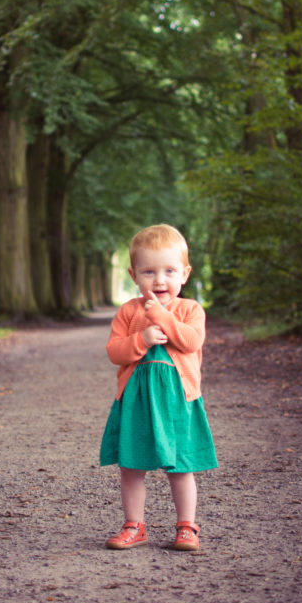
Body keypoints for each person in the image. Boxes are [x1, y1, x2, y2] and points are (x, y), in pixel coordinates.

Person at [99, 223, 218, 551]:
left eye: (169, 271)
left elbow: (191, 340)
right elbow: (114, 352)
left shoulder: (190, 310)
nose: (159, 280)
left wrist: (163, 318)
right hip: (136, 401)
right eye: (149, 271)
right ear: (134, 274)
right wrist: (141, 339)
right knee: (132, 465)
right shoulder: (128, 312)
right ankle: (134, 525)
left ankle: (186, 526)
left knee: (181, 466)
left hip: (178, 400)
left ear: (185, 273)